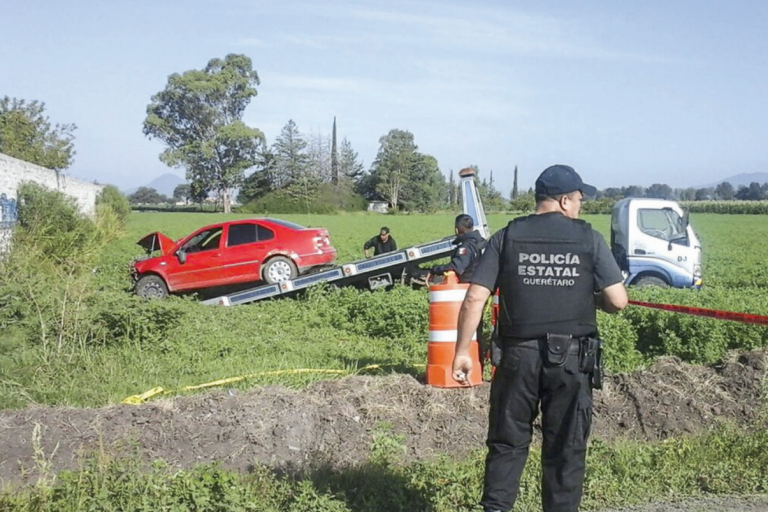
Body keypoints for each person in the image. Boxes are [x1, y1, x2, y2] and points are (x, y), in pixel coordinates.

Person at [451, 164, 628, 512]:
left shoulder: (507, 236)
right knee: (566, 447)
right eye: (578, 199)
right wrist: (585, 296)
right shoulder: (588, 238)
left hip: (518, 359)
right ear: (564, 200)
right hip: (573, 362)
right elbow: (618, 300)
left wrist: (462, 351)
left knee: (507, 443)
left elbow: (475, 297)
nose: (580, 206)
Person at [427, 214, 486, 283]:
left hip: (468, 287)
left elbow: (456, 267)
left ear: (456, 230)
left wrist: (434, 270)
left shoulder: (466, 247)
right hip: (482, 284)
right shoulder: (480, 242)